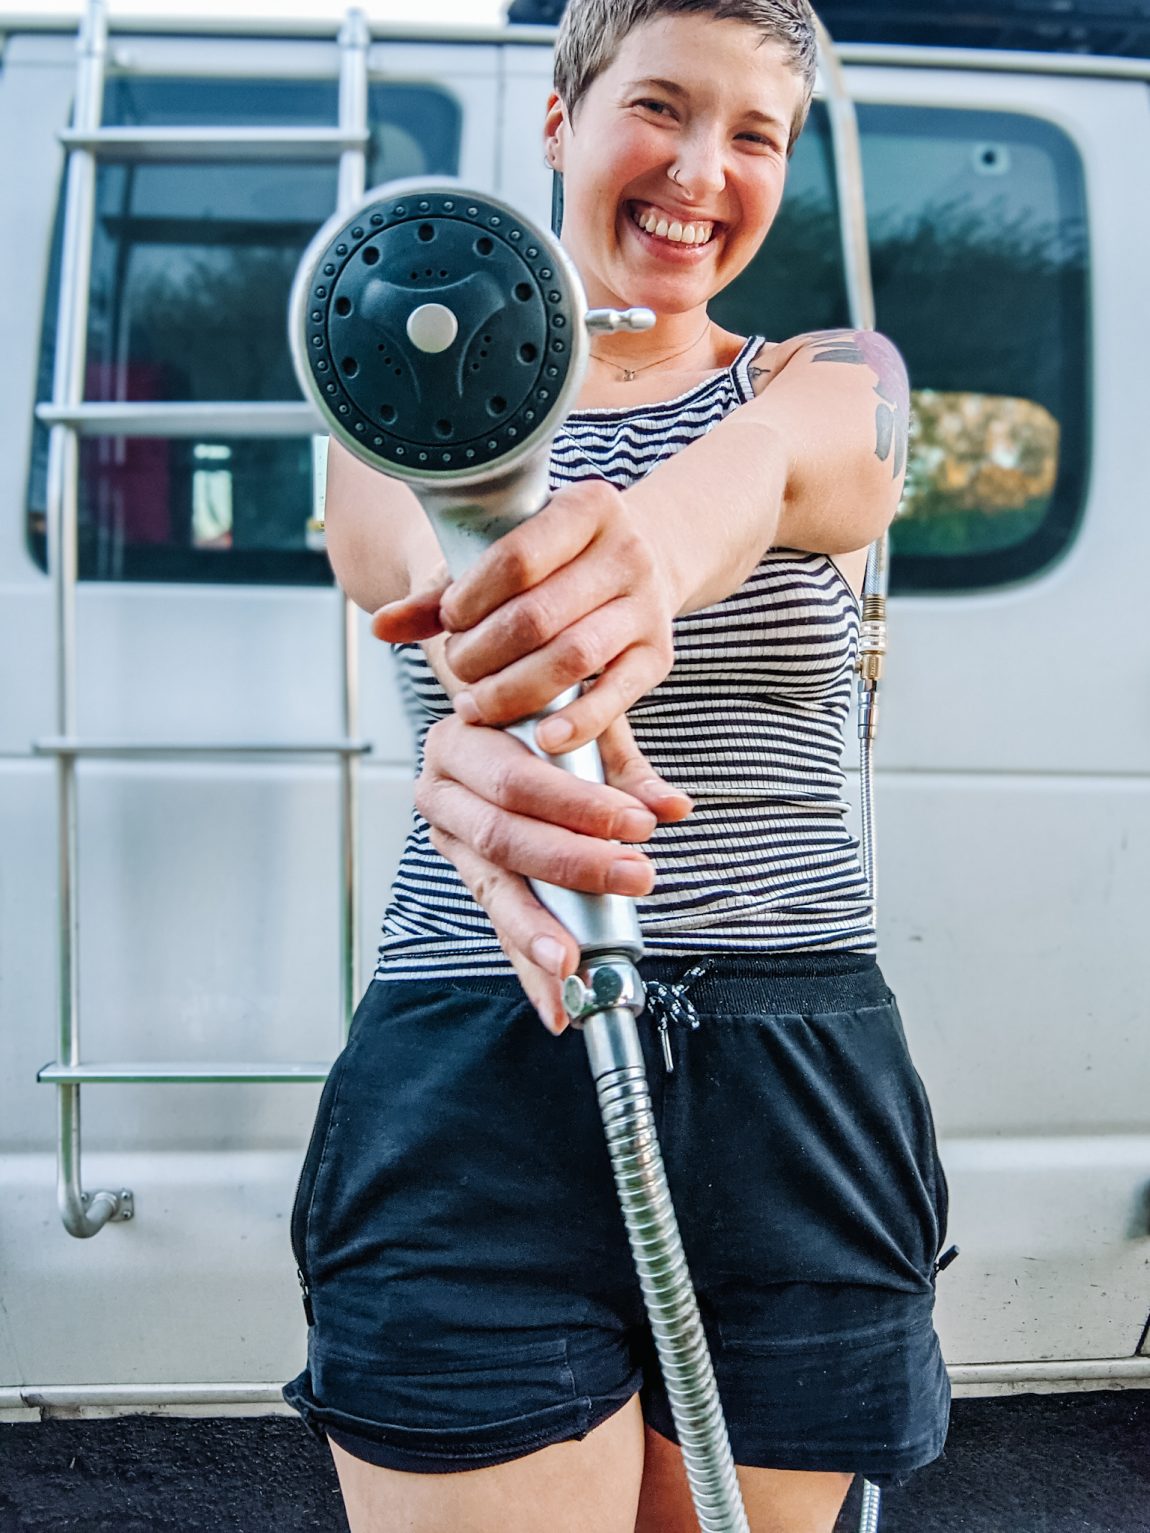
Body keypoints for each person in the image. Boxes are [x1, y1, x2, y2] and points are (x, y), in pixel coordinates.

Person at [284, 3, 951, 1529]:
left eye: (754, 133)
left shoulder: (830, 377)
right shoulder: (389, 377)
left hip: (792, 1072)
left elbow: (788, 471)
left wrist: (635, 552)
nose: (701, 169)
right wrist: (494, 716)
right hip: (475, 1049)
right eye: (658, 107)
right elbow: (412, 555)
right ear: (559, 123)